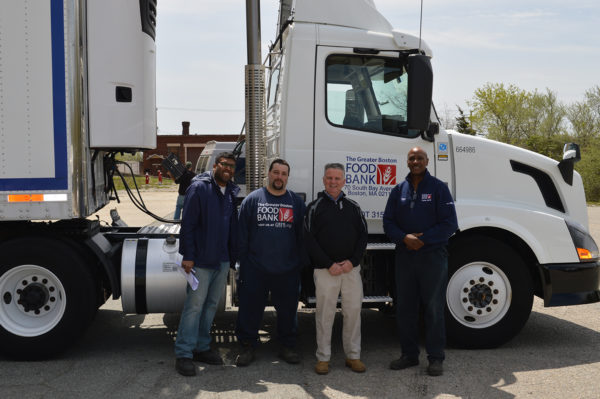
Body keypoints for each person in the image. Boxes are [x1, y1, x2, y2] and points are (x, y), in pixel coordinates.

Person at [383, 146, 458, 377]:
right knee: (405, 308)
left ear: (427, 161)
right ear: (407, 162)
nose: (415, 161)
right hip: (405, 256)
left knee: (434, 309)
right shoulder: (398, 190)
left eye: (420, 158)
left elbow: (450, 224)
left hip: (432, 256)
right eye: (412, 158)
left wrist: (424, 241)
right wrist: (404, 238)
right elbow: (388, 222)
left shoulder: (439, 189)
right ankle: (409, 355)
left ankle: (436, 358)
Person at [235, 159, 306, 367]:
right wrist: (244, 264)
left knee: (288, 311)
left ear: (287, 177)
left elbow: (302, 235)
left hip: (287, 269)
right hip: (255, 268)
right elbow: (242, 236)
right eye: (276, 172)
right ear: (269, 173)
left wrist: (299, 263)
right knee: (250, 309)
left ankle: (287, 346)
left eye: (284, 174)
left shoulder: (295, 202)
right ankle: (247, 346)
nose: (279, 177)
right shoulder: (252, 200)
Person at [174, 152, 240, 377]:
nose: (228, 169)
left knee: (211, 305)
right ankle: (184, 353)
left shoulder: (230, 192)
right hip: (200, 260)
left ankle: (202, 347)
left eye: (231, 166)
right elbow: (188, 224)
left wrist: (232, 257)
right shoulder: (199, 188)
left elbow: (232, 227)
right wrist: (188, 255)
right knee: (194, 307)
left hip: (221, 260)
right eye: (224, 165)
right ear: (215, 166)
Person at [304, 163, 368, 375]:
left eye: (337, 178)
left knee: (353, 313)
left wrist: (352, 261)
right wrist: (328, 264)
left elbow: (362, 238)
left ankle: (353, 356)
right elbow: (308, 240)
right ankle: (323, 358)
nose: (333, 182)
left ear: (344, 181)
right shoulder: (314, 207)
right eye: (329, 178)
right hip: (325, 271)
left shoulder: (354, 207)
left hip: (350, 270)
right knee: (325, 315)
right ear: (323, 180)